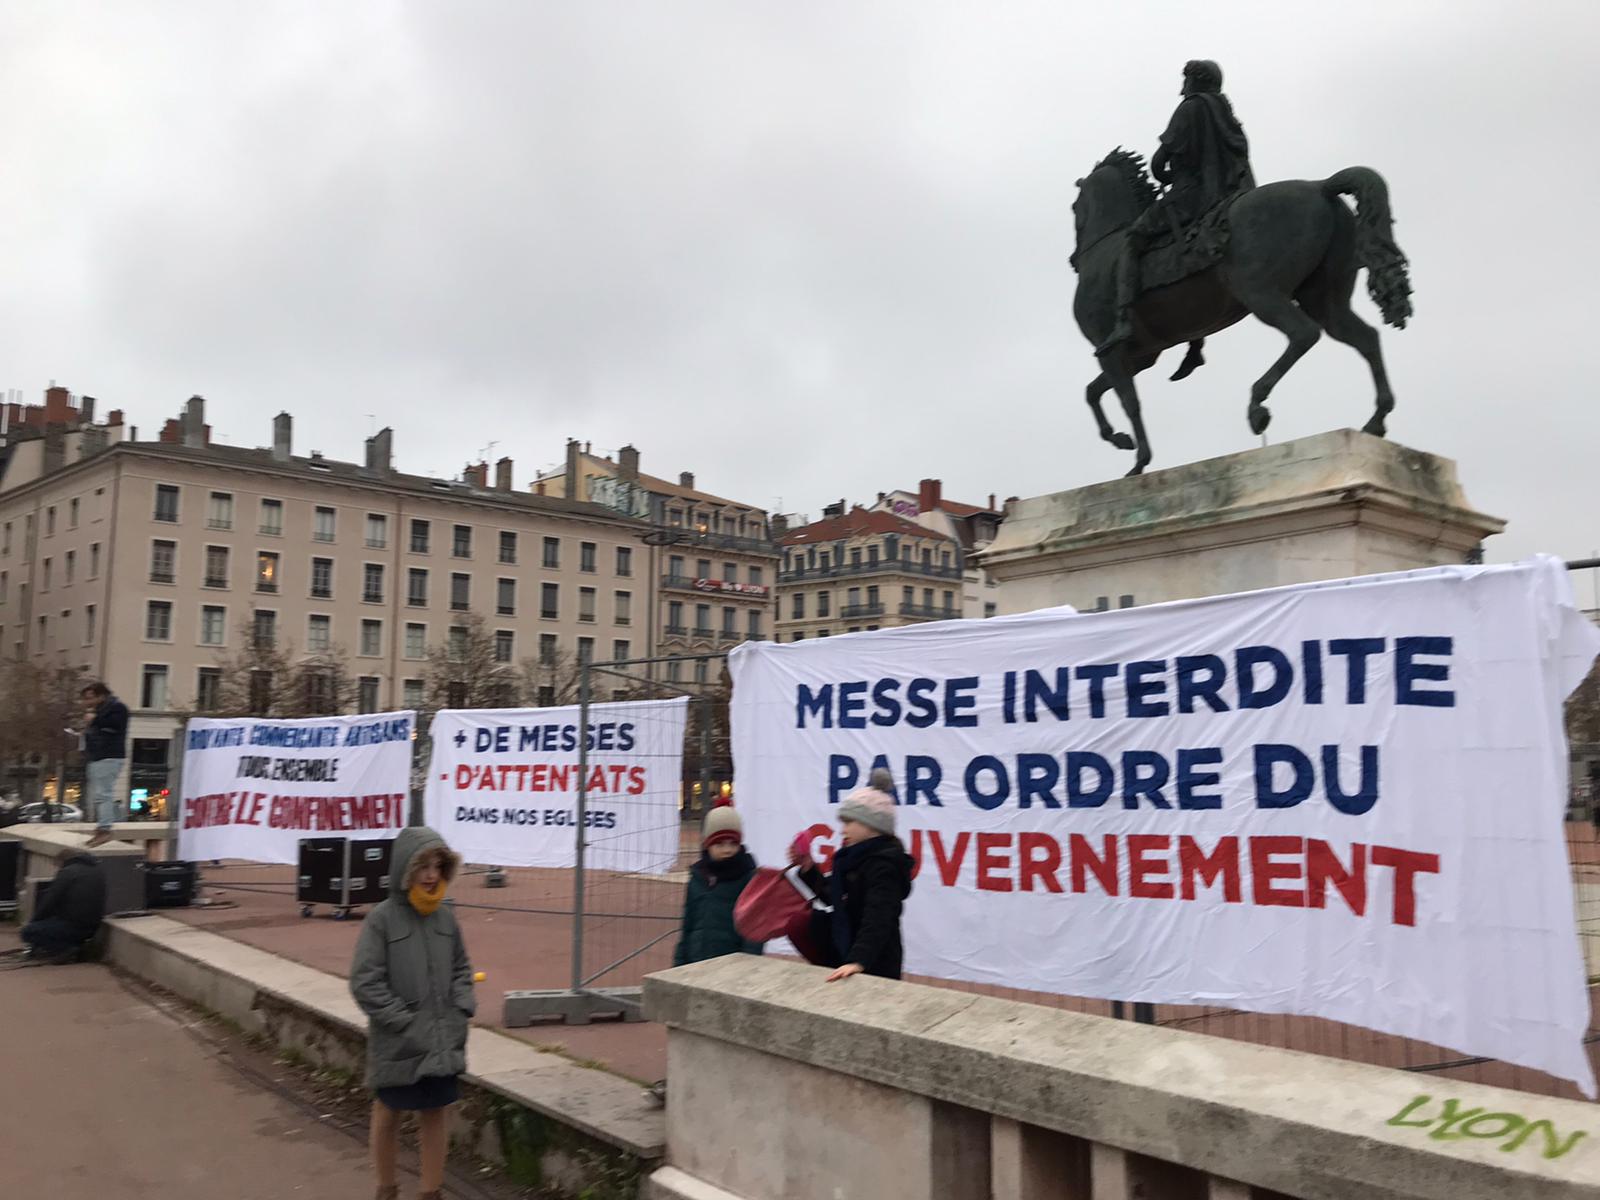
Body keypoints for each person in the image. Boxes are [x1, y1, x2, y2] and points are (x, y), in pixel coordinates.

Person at [1099, 59, 1256, 356]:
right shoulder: (1225, 112)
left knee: (1133, 239)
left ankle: (1122, 321)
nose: (1182, 87)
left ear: (1196, 80)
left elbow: (1159, 163)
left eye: (1185, 80)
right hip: (1226, 193)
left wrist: (1167, 176)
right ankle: (1194, 342)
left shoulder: (1190, 108)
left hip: (1190, 195)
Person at [350, 827, 474, 1200]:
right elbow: (365, 982)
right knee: (388, 1112)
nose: (431, 875)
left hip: (441, 1039)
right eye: (423, 866)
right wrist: (403, 1021)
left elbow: (461, 968)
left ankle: (430, 1192)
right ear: (405, 868)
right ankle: (386, 1189)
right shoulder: (382, 919)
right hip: (399, 1041)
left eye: (437, 866)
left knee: (436, 1112)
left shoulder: (445, 917)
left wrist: (461, 1007)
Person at [795, 769, 915, 983]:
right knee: (802, 922)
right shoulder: (850, 859)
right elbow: (834, 896)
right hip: (847, 950)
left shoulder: (884, 866)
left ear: (872, 825)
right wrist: (808, 869)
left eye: (849, 822)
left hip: (874, 962)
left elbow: (878, 918)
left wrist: (858, 961)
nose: (843, 830)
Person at [673, 800, 763, 967]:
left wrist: (747, 967)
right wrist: (678, 964)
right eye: (719, 844)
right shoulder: (697, 877)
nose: (727, 850)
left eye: (733, 843)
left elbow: (754, 931)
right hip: (695, 963)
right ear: (707, 844)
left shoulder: (748, 878)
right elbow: (687, 926)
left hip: (730, 967)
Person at [21, 850, 106, 964]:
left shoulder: (68, 872)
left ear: (62, 861)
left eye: (57, 865)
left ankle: (66, 949)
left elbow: (50, 901)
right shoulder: (96, 870)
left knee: (28, 932)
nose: (58, 868)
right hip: (92, 925)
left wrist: (34, 921)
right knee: (52, 925)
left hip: (72, 925)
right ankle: (75, 947)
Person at [80, 682, 129, 849]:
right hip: (97, 756)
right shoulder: (99, 711)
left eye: (90, 698)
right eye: (85, 699)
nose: (87, 702)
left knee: (103, 794)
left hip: (108, 756)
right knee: (99, 795)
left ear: (102, 696)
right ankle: (102, 827)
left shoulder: (117, 708)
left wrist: (95, 720)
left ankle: (105, 829)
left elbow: (116, 725)